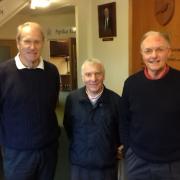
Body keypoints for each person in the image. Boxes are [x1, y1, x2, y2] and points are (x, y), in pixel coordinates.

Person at [0, 22, 60, 180]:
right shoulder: (3, 73)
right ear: (18, 43)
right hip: (16, 153)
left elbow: (51, 105)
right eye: (27, 41)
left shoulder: (52, 72)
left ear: (43, 43)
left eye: (37, 41)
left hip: (47, 151)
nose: (32, 47)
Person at [121, 30, 180, 180]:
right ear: (142, 54)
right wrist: (129, 150)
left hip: (173, 164)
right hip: (137, 162)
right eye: (148, 51)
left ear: (169, 52)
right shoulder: (131, 84)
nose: (154, 55)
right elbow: (124, 120)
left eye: (159, 49)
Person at [63, 58, 122, 180]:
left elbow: (120, 131)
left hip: (106, 166)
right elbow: (68, 127)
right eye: (88, 74)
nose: (93, 79)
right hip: (79, 164)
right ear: (82, 77)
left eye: (97, 74)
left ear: (104, 76)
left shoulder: (116, 100)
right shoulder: (72, 99)